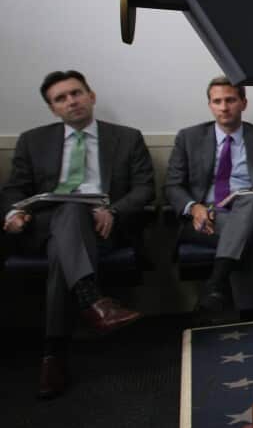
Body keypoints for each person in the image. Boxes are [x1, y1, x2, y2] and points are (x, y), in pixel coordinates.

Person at [1, 70, 154, 399]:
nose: (71, 101)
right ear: (52, 108)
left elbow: (144, 189)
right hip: (45, 226)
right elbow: (14, 189)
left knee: (64, 248)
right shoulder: (33, 140)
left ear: (91, 96)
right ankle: (92, 301)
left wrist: (114, 211)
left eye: (76, 93)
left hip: (101, 227)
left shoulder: (127, 138)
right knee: (69, 210)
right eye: (61, 98)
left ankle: (54, 354)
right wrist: (13, 213)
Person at [166, 76, 253, 320]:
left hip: (252, 210)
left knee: (252, 201)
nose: (224, 107)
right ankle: (249, 315)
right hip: (205, 218)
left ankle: (215, 284)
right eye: (217, 101)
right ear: (210, 105)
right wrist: (194, 207)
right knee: (244, 237)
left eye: (230, 100)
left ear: (243, 103)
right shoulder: (189, 138)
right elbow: (173, 186)